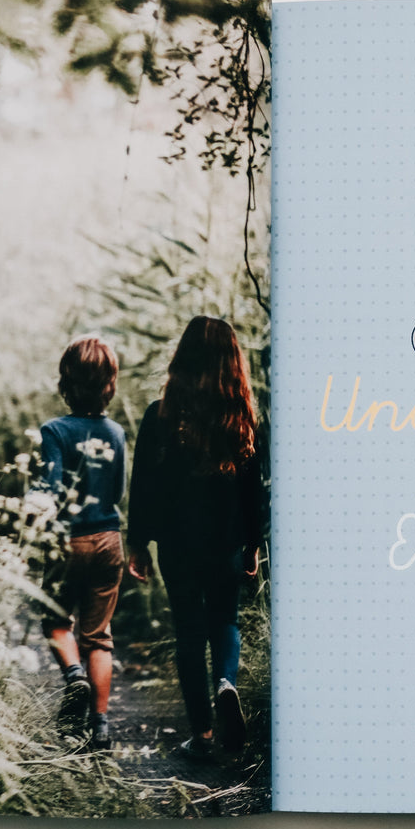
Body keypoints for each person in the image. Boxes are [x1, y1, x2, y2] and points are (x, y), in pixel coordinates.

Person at [126, 316, 264, 759]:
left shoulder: (160, 416)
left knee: (189, 629)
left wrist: (138, 541)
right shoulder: (241, 418)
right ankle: (226, 683)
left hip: (178, 543)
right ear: (232, 363)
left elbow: (143, 483)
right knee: (225, 620)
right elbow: (251, 487)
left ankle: (202, 735)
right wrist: (253, 543)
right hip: (226, 541)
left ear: (181, 359)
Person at [39, 336, 126, 750]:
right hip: (110, 539)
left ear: (66, 383)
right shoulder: (117, 433)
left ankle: (74, 676)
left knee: (55, 619)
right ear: (110, 385)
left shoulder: (54, 431)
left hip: (69, 539)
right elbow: (118, 490)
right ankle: (101, 726)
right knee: (99, 635)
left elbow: (50, 489)